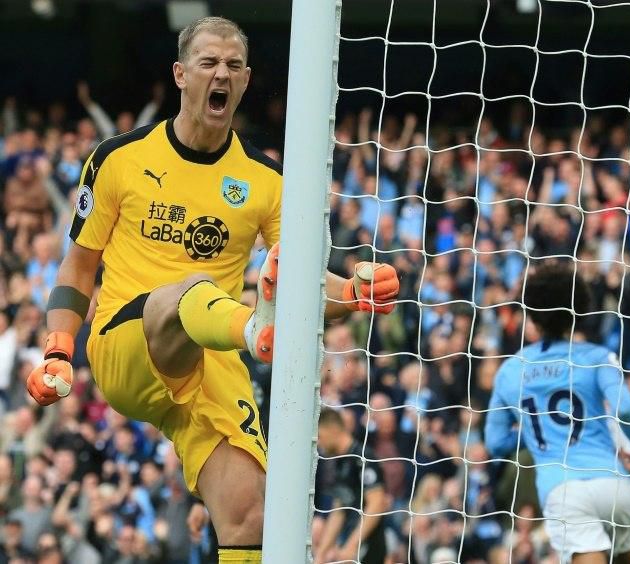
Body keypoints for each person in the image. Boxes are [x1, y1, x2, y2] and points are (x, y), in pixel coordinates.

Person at [24, 16, 400, 564]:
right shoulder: (118, 159)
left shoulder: (267, 182)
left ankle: (254, 326)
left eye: (232, 66)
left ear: (245, 80)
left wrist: (359, 293)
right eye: (208, 63)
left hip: (212, 357)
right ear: (181, 74)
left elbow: (313, 285)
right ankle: (254, 325)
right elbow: (78, 267)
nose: (220, 74)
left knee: (252, 512)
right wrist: (58, 347)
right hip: (128, 343)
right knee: (191, 291)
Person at [484, 262, 630, 564]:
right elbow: (626, 409)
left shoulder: (511, 370)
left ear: (532, 317)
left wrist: (540, 434)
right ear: (578, 312)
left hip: (563, 490)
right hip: (614, 483)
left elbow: (495, 443)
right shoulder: (597, 356)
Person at [314, 408, 389, 564]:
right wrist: (321, 554)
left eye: (320, 436)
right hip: (349, 546)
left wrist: (352, 545)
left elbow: (377, 503)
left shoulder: (363, 457)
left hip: (368, 547)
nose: (318, 443)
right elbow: (339, 510)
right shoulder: (340, 462)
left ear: (333, 429)